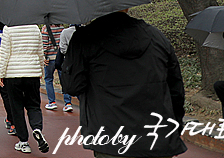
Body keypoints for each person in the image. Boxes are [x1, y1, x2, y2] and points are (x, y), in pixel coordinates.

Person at [62, 9, 186, 158]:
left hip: (111, 138)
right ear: (126, 6)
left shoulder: (84, 38)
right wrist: (176, 127)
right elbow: (176, 89)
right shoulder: (156, 36)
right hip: (157, 136)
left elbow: (72, 86)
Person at [0, 23, 48, 154]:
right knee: (34, 105)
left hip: (13, 74)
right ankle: (37, 128)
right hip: (32, 73)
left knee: (16, 107)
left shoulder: (8, 29)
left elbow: (4, 54)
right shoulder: (35, 28)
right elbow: (39, 52)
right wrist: (40, 71)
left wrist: (0, 74)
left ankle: (23, 141)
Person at [41, 24, 72, 112]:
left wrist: (44, 56)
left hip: (49, 58)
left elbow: (45, 45)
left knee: (48, 79)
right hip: (61, 58)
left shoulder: (45, 28)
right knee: (64, 80)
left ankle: (52, 102)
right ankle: (68, 103)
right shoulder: (62, 28)